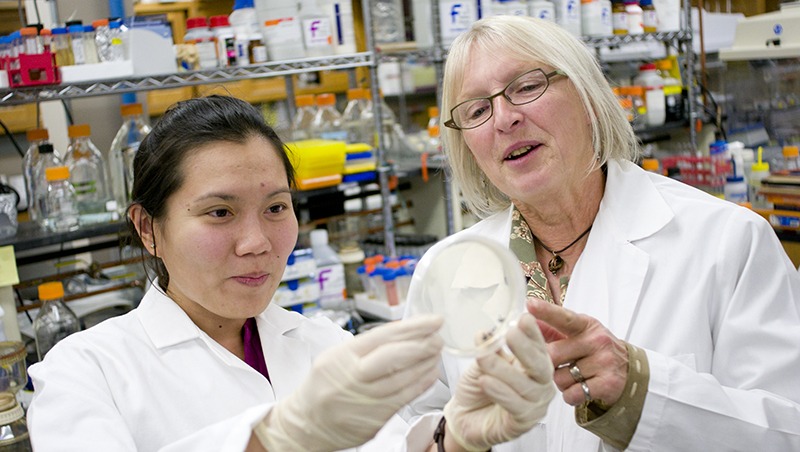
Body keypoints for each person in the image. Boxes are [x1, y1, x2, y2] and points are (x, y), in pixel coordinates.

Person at [26, 95, 554, 452]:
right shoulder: (84, 373)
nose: (257, 242)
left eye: (276, 208)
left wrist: (456, 437)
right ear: (148, 229)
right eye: (219, 213)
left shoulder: (323, 342)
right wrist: (275, 437)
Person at [403, 15, 800, 452]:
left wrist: (642, 391)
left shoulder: (729, 242)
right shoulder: (444, 274)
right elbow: (410, 425)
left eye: (526, 86)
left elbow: (787, 430)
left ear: (589, 99)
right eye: (477, 110)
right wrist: (453, 439)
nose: (504, 118)